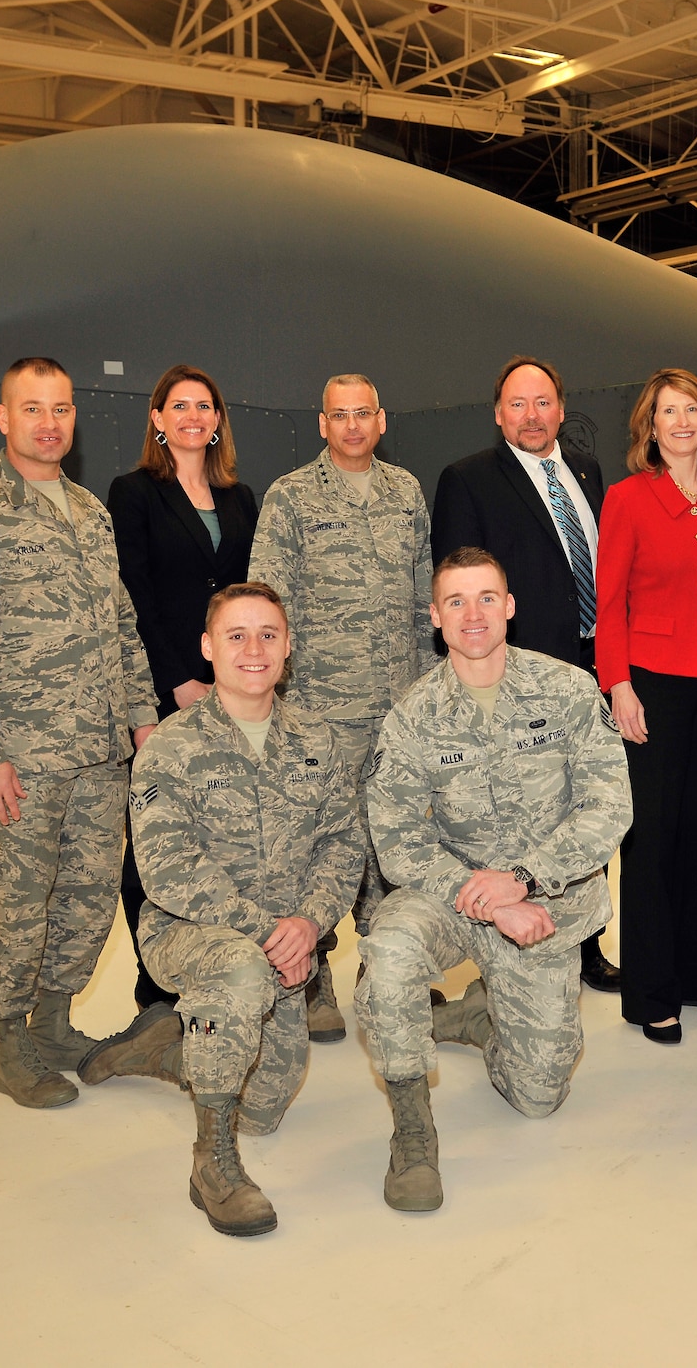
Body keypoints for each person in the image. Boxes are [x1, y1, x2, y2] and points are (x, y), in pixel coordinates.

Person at [356, 548, 633, 1212]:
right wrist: (483, 895)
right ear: (435, 617)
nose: (472, 614)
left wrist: (523, 880)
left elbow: (610, 805)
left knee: (539, 1096)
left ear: (509, 606)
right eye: (455, 601)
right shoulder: (414, 713)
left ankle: (483, 1016)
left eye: (486, 597)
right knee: (389, 955)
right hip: (451, 898)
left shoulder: (566, 690)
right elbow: (395, 835)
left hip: (542, 904)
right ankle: (413, 1128)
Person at [85, 583, 364, 1236]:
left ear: (288, 646)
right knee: (238, 973)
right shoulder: (171, 745)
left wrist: (307, 924)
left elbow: (344, 845)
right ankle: (213, 1160)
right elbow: (166, 867)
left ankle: (166, 1047)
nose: (253, 648)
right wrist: (269, 931)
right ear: (208, 647)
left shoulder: (317, 739)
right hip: (187, 931)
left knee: (265, 1103)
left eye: (268, 633)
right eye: (236, 635)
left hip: (286, 939)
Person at [0, 356, 156, 1109]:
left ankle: (53, 1019)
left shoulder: (89, 511)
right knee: (20, 900)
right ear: (4, 417)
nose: (48, 423)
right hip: (24, 755)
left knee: (86, 894)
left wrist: (143, 717)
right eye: (32, 409)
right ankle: (8, 1039)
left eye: (60, 409)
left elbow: (119, 621)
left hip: (97, 753)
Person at [249, 373, 432, 1043]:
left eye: (363, 414)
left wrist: (428, 687)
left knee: (393, 840)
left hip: (396, 705)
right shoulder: (291, 498)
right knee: (319, 844)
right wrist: (275, 697)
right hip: (320, 707)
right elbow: (269, 604)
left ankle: (386, 969)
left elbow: (422, 599)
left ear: (380, 420)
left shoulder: (406, 492)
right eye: (339, 415)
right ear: (322, 423)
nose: (352, 426)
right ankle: (314, 972)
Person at [430, 356, 620, 993]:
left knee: (584, 803)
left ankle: (586, 941)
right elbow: (460, 583)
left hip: (588, 667)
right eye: (517, 404)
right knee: (519, 814)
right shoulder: (468, 479)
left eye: (542, 403)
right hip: (517, 677)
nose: (531, 416)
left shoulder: (588, 472)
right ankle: (501, 945)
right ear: (497, 413)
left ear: (561, 410)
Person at [596, 369, 697, 1043]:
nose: (681, 422)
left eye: (691, 410)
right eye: (668, 412)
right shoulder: (628, 498)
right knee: (652, 837)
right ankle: (651, 988)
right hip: (652, 683)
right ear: (649, 427)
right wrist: (619, 684)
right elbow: (609, 603)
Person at [106, 364, 259, 1016]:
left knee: (223, 835)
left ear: (219, 419)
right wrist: (176, 680)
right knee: (154, 841)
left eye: (205, 405)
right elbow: (132, 596)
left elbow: (250, 595)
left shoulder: (240, 497)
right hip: (167, 691)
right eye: (180, 406)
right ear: (158, 419)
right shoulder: (134, 493)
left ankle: (215, 966)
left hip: (233, 694)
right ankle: (152, 986)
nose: (193, 415)